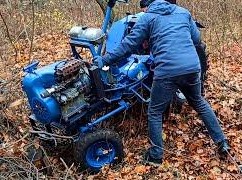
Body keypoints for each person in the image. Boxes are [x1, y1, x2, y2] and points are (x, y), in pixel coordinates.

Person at [97, 0, 231, 166]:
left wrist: (105, 60)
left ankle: (155, 156)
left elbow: (130, 44)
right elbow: (196, 39)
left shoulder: (148, 17)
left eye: (144, 7)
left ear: (148, 6)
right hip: (192, 67)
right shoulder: (183, 12)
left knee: (154, 111)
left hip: (168, 70)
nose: (144, 10)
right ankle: (222, 142)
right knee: (199, 103)